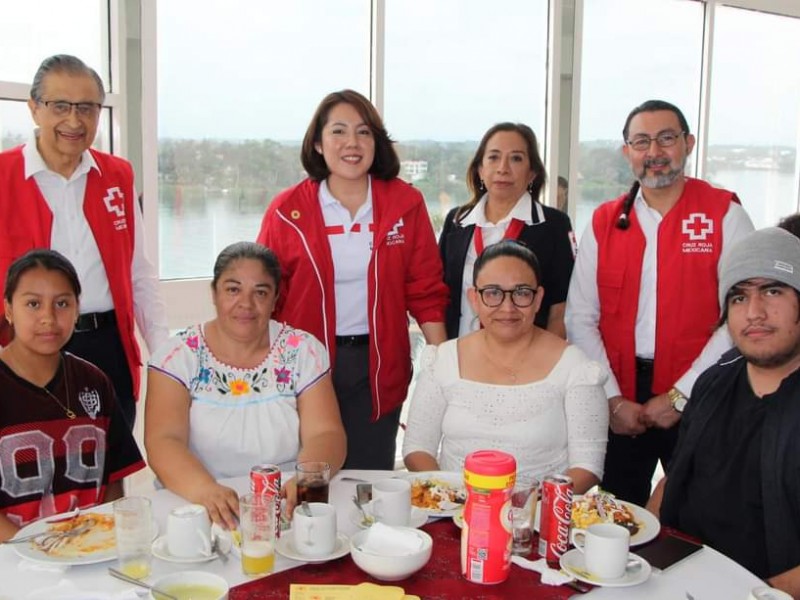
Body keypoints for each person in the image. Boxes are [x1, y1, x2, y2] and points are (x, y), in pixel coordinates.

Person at [565, 99, 754, 507]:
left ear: (687, 143)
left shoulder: (725, 215)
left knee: (700, 513)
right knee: (617, 514)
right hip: (621, 399)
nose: (654, 152)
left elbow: (739, 320)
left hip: (703, 391)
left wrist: (680, 397)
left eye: (666, 139)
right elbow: (580, 317)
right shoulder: (604, 222)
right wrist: (612, 400)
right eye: (641, 141)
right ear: (627, 151)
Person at [256, 89, 449, 470]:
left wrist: (445, 364)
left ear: (376, 141)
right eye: (338, 132)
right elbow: (263, 292)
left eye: (363, 133)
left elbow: (425, 288)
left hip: (378, 366)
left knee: (369, 481)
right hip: (304, 366)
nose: (352, 143)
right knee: (310, 480)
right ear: (317, 142)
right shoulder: (287, 210)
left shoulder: (404, 204)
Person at [0, 54, 169, 430]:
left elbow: (138, 271)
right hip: (25, 348)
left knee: (111, 469)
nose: (74, 121)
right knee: (30, 466)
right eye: (60, 106)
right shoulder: (3, 176)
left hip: (107, 346)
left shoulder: (117, 175)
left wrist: (163, 352)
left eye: (87, 108)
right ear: (34, 109)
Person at [145, 242, 346, 528]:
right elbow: (163, 440)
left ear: (276, 298)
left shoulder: (302, 350)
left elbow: (326, 432)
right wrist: (205, 490)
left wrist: (305, 480)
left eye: (260, 292)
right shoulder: (176, 356)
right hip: (198, 503)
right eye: (233, 289)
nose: (246, 304)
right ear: (214, 293)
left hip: (286, 504)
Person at [648, 228, 800, 597]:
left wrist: (754, 593)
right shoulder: (713, 383)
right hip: (678, 575)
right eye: (738, 297)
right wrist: (636, 550)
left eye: (773, 291)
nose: (754, 312)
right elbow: (674, 480)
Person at [403, 240, 607, 493]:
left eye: (521, 293)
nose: (507, 308)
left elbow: (588, 465)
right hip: (455, 508)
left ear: (538, 298)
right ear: (474, 299)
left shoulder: (576, 367)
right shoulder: (443, 360)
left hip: (540, 517)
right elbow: (417, 448)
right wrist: (452, 497)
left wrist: (526, 507)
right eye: (493, 293)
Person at [0, 250, 144, 541]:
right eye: (33, 304)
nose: (48, 317)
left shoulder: (94, 381)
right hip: (11, 560)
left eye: (62, 303)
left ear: (78, 308)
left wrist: (100, 540)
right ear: (8, 310)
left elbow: (113, 479)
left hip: (87, 550)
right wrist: (29, 550)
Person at [440, 123, 575, 340]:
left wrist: (544, 365)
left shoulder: (553, 225)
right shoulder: (457, 222)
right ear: (480, 169)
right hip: (462, 358)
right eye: (493, 157)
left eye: (516, 158)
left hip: (524, 362)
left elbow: (560, 311)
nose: (503, 168)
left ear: (532, 173)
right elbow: (440, 296)